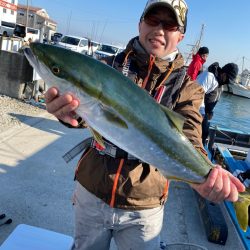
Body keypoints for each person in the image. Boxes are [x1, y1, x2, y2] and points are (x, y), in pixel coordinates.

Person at [45, 1, 245, 249]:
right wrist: (69, 115)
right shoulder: (108, 68)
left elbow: (190, 132)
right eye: (153, 20)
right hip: (92, 191)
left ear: (180, 35)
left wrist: (206, 170)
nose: (159, 30)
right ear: (140, 23)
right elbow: (88, 115)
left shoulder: (189, 89)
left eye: (169, 24)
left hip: (145, 206)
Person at [197, 62, 239, 145]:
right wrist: (202, 114)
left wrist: (210, 112)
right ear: (223, 74)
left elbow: (213, 98)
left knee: (204, 135)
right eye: (228, 79)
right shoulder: (209, 77)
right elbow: (197, 94)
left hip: (204, 115)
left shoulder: (220, 84)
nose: (227, 82)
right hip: (196, 114)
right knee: (197, 138)